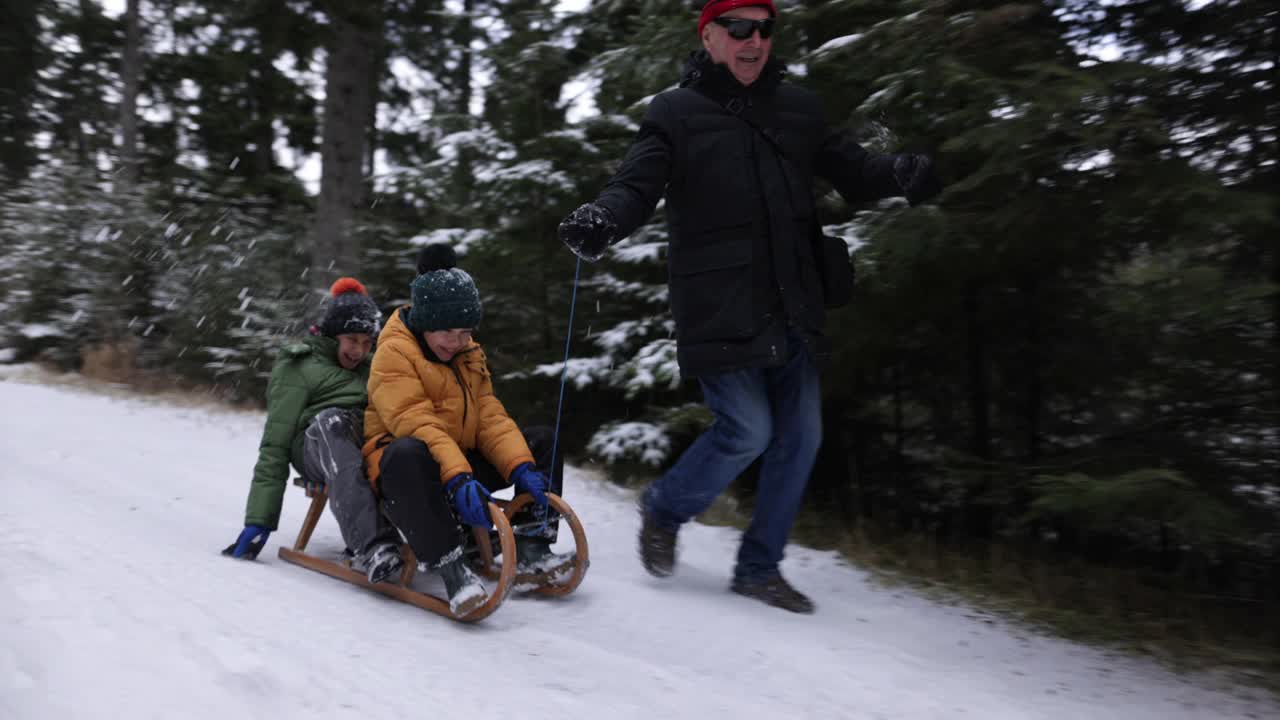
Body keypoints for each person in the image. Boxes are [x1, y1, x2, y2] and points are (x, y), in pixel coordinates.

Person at [556, 0, 943, 613]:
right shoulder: (676, 112)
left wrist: (899, 172)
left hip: (794, 296)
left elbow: (854, 171)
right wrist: (604, 217)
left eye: (763, 28)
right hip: (719, 300)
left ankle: (759, 568)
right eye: (738, 28)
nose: (753, 40)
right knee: (748, 430)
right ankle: (664, 508)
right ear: (709, 35)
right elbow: (638, 181)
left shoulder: (799, 110)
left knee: (803, 437)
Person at [362, 244, 573, 617]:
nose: (457, 341)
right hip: (410, 470)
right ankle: (452, 567)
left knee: (541, 441)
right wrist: (457, 478)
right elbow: (417, 422)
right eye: (447, 331)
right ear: (425, 321)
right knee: (409, 453)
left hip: (457, 461)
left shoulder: (467, 352)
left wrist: (520, 465)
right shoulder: (393, 353)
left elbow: (489, 415)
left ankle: (531, 544)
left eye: (465, 331)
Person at [224, 278, 405, 586]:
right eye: (351, 339)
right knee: (331, 422)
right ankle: (373, 545)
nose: (359, 350)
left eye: (367, 342)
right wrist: (259, 520)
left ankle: (453, 535)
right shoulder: (300, 364)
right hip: (315, 446)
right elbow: (275, 443)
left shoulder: (374, 367)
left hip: (363, 444)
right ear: (333, 335)